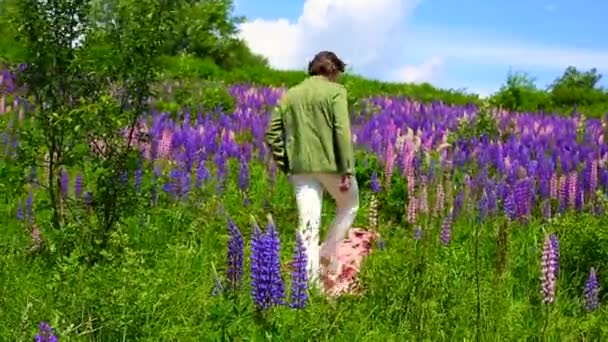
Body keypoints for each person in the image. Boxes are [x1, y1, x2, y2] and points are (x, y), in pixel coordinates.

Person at [264, 51, 359, 289]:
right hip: (331, 165)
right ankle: (327, 253)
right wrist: (347, 168)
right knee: (349, 205)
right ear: (333, 70)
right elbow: (341, 130)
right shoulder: (336, 92)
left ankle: (310, 285)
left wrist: (286, 163)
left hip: (299, 168)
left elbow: (271, 133)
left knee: (308, 225)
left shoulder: (290, 95)